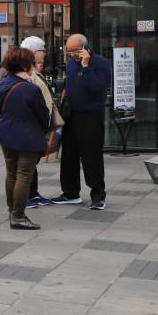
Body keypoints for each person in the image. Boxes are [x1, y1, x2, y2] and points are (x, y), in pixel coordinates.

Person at [54, 34, 111, 210]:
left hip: (90, 115)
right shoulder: (71, 63)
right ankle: (70, 193)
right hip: (71, 115)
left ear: (84, 48)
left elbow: (95, 87)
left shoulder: (99, 63)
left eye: (74, 50)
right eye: (68, 51)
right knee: (69, 155)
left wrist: (85, 66)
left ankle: (98, 196)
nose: (71, 54)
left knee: (91, 156)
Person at [0, 47, 48, 230]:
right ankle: (18, 215)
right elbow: (43, 114)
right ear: (27, 65)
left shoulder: (4, 83)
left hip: (7, 134)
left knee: (11, 173)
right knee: (24, 175)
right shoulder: (30, 89)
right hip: (27, 136)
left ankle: (12, 211)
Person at [20, 37, 56, 208]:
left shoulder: (33, 71)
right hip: (31, 126)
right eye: (42, 50)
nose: (45, 53)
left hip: (37, 125)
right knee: (28, 162)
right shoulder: (27, 74)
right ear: (34, 53)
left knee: (32, 161)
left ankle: (32, 193)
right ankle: (26, 196)